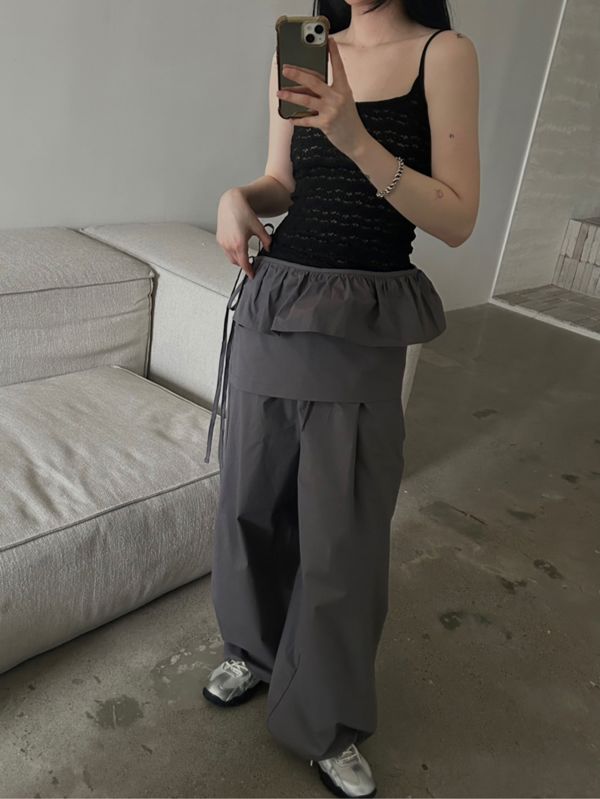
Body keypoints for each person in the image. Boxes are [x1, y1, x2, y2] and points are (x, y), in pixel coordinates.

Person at [203, 0, 480, 796]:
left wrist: (356, 135)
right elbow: (283, 182)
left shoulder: (444, 54)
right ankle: (252, 652)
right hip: (276, 301)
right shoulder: (303, 46)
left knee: (342, 533)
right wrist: (237, 198)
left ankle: (325, 717)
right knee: (251, 502)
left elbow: (458, 218)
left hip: (362, 318)